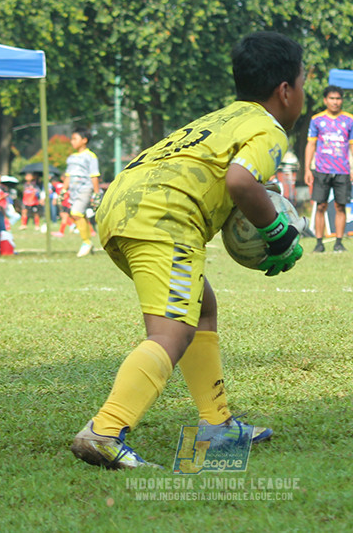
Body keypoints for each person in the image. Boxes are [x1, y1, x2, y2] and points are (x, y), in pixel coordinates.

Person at [70, 31, 306, 470]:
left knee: (201, 307)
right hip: (164, 217)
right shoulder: (268, 130)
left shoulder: (224, 117)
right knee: (170, 334)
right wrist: (278, 233)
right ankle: (105, 430)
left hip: (121, 205)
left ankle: (217, 425)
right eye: (304, 83)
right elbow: (240, 181)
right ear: (285, 91)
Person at [304, 85, 353, 253]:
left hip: (342, 170)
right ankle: (319, 242)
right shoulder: (317, 120)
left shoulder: (349, 120)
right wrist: (307, 169)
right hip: (322, 170)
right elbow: (311, 144)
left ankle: (338, 242)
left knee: (340, 206)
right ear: (325, 100)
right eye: (332, 98)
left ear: (342, 100)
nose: (335, 102)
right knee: (320, 206)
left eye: (338, 99)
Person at [62, 127, 102, 258]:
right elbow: (68, 175)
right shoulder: (71, 158)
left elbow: (94, 175)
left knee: (76, 213)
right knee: (79, 216)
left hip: (85, 188)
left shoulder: (90, 156)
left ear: (84, 140)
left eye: (75, 139)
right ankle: (88, 244)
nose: (72, 141)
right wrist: (63, 190)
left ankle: (86, 242)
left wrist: (96, 193)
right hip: (74, 191)